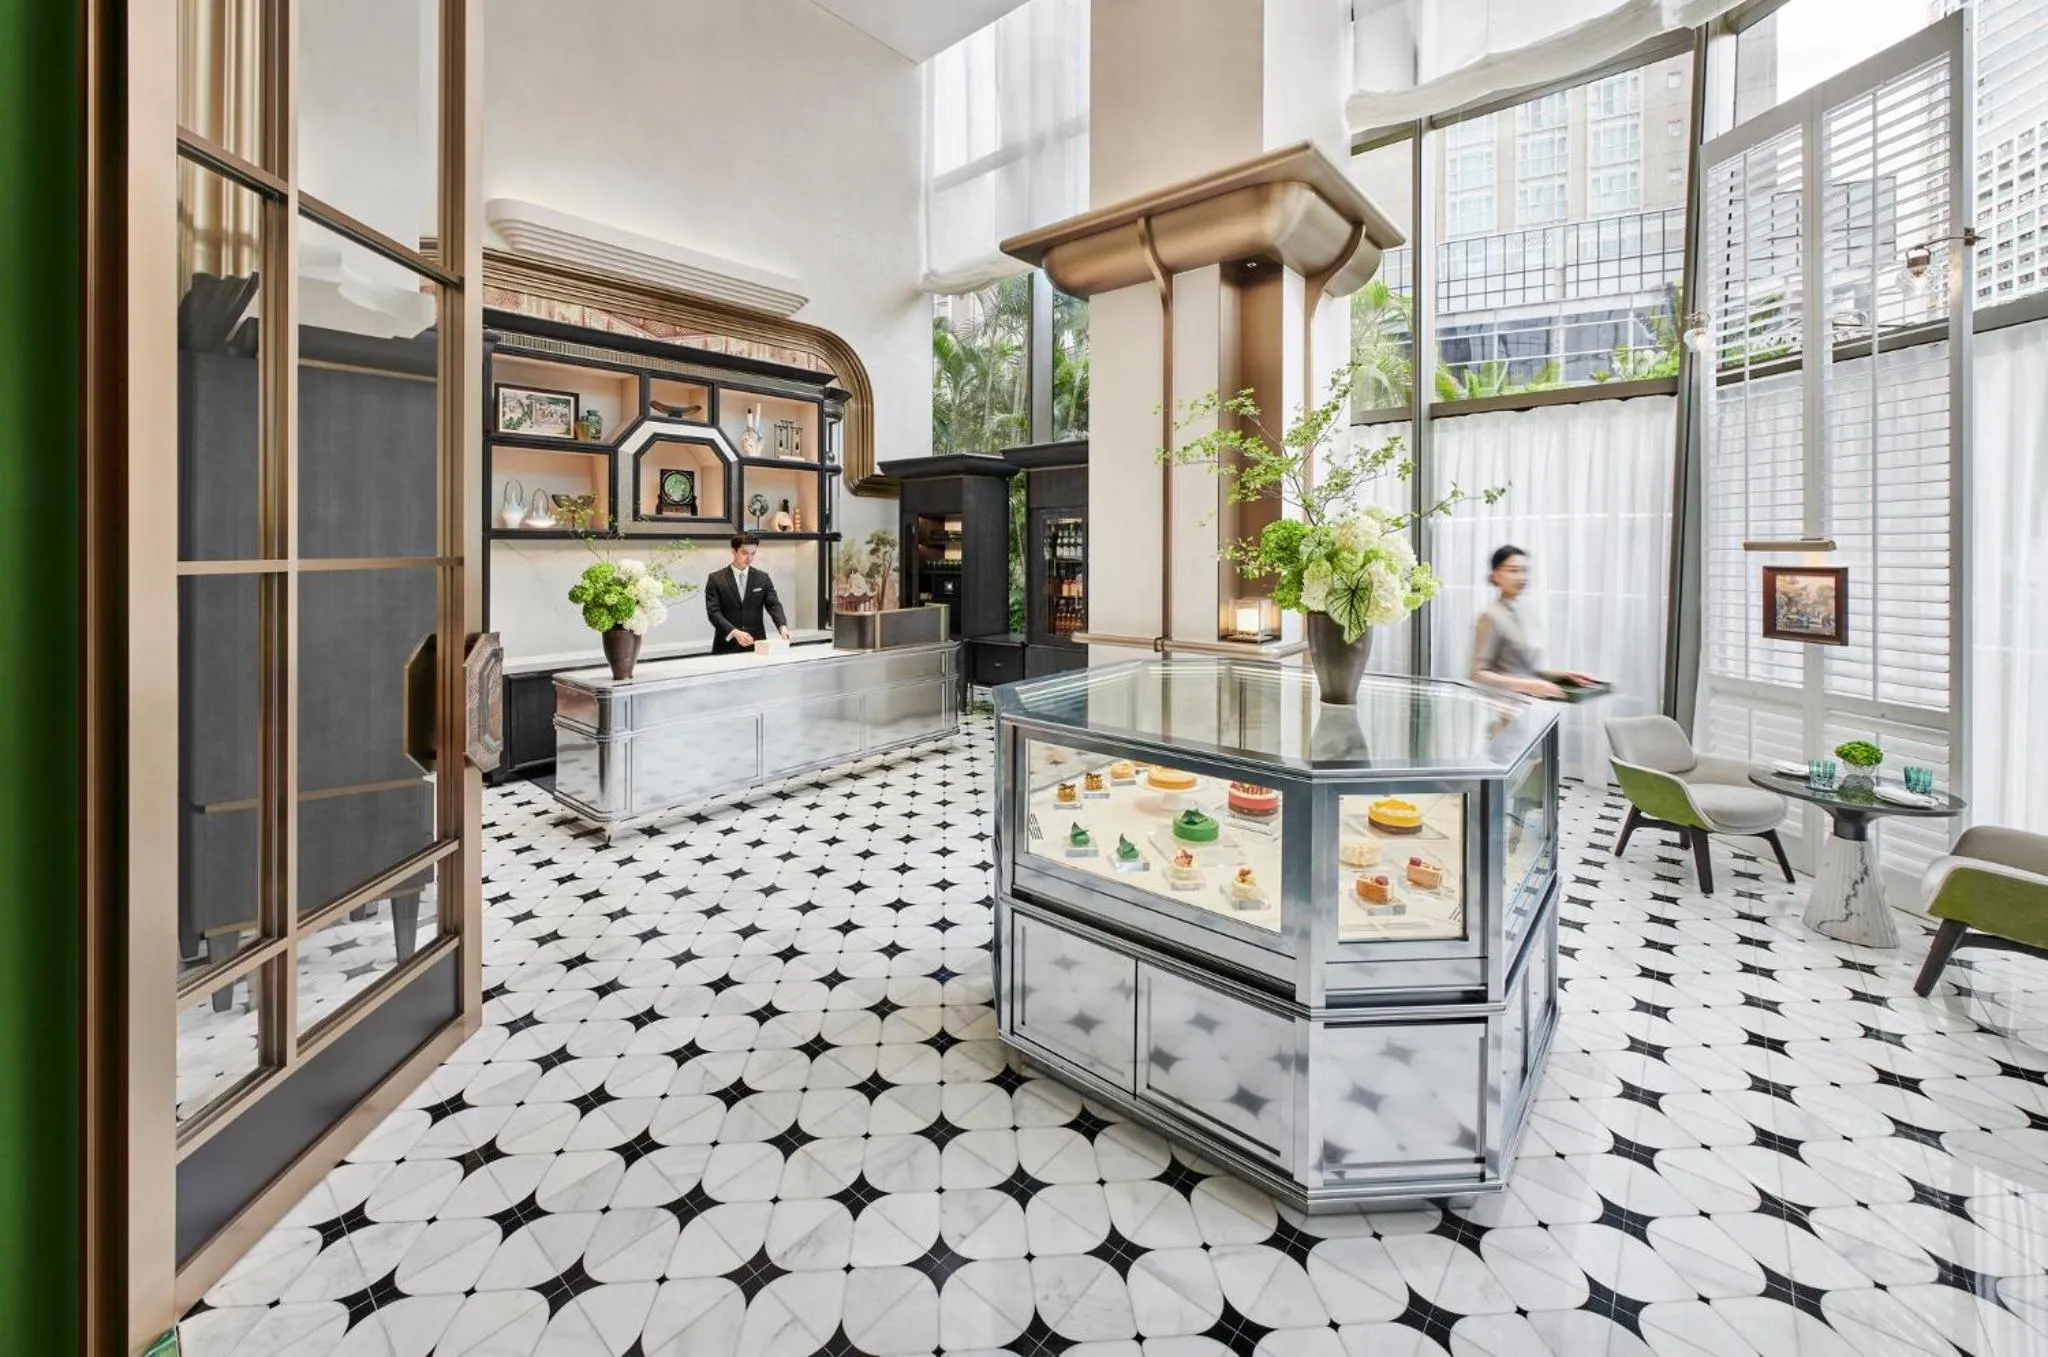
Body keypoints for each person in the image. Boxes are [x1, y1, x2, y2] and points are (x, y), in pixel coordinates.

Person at [1470, 544, 1596, 700]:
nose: (1521, 577)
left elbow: (1524, 670)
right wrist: (1530, 685)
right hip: (1503, 708)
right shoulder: (1490, 616)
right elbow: (1478, 674)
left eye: (1524, 570)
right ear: (1495, 575)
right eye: (1513, 570)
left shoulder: (1525, 613)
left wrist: (1562, 676)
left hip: (1530, 705)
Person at [705, 532, 791, 654]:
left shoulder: (763, 578)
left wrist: (782, 627)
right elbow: (714, 613)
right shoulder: (716, 579)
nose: (749, 558)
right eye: (744, 553)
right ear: (734, 551)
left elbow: (773, 605)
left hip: (756, 645)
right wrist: (734, 632)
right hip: (726, 646)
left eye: (753, 553)